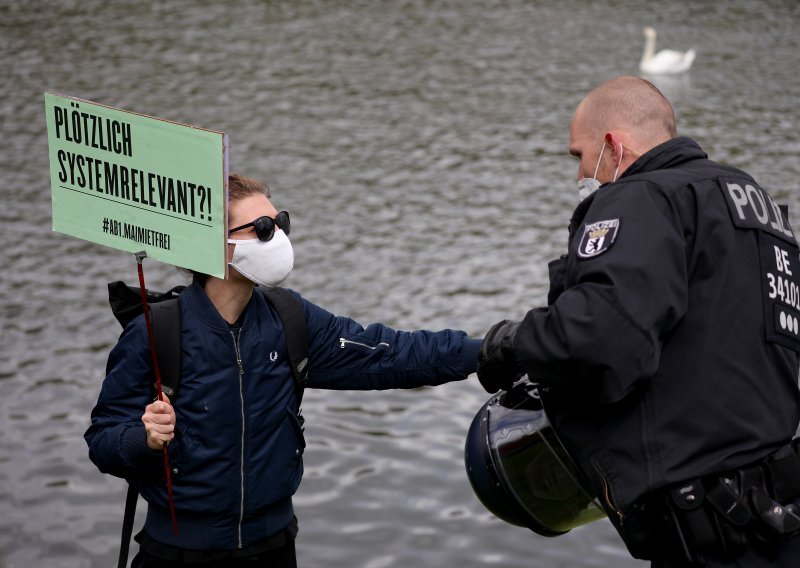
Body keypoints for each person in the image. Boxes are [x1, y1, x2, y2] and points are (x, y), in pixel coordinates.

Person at [476, 76, 800, 567]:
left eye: (578, 156)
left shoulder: (642, 197)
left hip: (712, 535)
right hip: (779, 521)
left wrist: (516, 342)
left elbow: (600, 342)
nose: (580, 173)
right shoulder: (758, 209)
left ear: (612, 146)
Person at [85, 173, 481, 567]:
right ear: (214, 245)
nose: (277, 237)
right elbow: (103, 439)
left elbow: (389, 354)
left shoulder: (290, 319)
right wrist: (144, 437)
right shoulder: (154, 333)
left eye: (280, 224)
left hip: (273, 547)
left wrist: (490, 351)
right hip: (176, 553)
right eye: (261, 228)